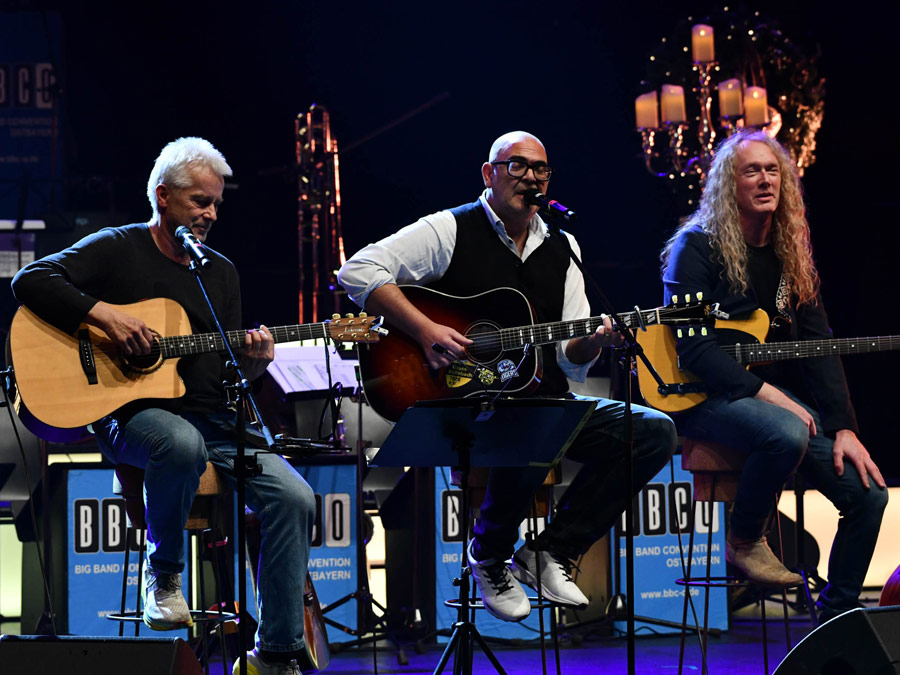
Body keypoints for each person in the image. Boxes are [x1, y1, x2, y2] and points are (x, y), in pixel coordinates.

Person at [338, 130, 676, 622]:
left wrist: (596, 341)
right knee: (534, 418)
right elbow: (357, 271)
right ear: (489, 173)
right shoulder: (450, 229)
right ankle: (490, 553)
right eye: (517, 165)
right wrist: (426, 329)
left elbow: (568, 358)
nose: (530, 178)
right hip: (463, 403)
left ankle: (551, 550)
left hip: (542, 402)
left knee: (652, 431)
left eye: (540, 169)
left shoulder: (563, 246)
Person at [12, 137, 316, 675]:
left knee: (296, 497)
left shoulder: (219, 272)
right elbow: (30, 280)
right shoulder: (117, 247)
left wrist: (254, 365)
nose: (210, 213)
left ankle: (274, 652)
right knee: (180, 441)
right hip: (130, 415)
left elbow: (224, 375)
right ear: (163, 196)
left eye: (216, 203)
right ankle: (165, 576)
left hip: (213, 419)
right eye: (200, 201)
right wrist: (105, 316)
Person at [661, 129, 887, 621]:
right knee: (786, 430)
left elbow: (819, 346)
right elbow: (694, 349)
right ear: (730, 184)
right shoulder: (695, 246)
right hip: (697, 397)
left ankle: (834, 620)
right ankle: (744, 540)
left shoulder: (789, 251)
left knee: (868, 496)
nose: (765, 180)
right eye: (752, 171)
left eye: (773, 170)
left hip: (760, 399)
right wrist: (774, 397)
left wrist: (844, 427)